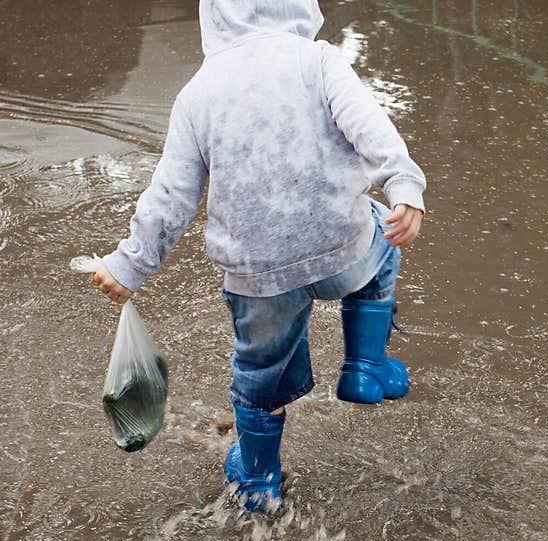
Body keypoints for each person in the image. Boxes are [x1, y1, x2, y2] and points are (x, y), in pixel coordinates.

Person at [88, 0, 426, 513]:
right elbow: (368, 124)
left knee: (258, 373)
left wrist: (129, 263)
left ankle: (258, 477)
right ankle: (365, 365)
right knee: (383, 234)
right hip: (340, 249)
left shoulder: (196, 94)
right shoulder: (317, 60)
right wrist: (403, 183)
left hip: (260, 274)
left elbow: (171, 195)